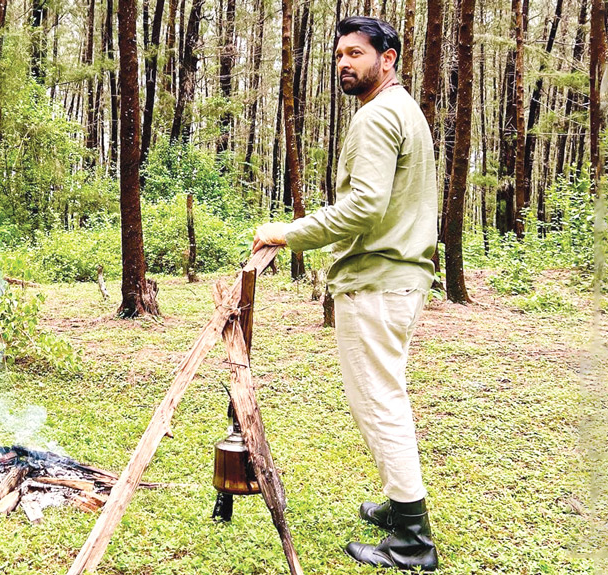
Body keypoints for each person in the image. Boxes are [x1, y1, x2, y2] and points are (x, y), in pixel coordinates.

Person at [252, 16, 439, 572]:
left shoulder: (378, 116)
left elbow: (364, 207)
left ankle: (412, 540)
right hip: (399, 278)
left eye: (356, 53)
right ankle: (399, 507)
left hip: (379, 281)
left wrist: (287, 233)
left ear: (389, 59)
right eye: (339, 55)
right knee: (387, 396)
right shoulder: (402, 110)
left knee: (379, 405)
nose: (344, 64)